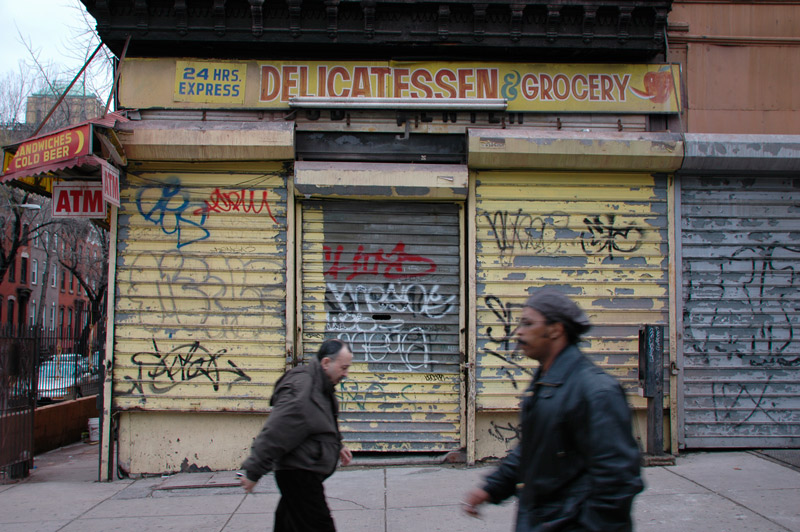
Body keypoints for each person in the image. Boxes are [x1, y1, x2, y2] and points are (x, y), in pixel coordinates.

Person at [463, 289, 643, 531]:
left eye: (528, 323)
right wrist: (491, 488)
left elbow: (618, 479)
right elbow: (534, 448)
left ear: (556, 329)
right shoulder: (547, 381)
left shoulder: (596, 391)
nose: (518, 332)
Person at [240, 338, 354, 532]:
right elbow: (275, 433)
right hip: (300, 475)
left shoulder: (320, 384)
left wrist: (337, 444)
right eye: (343, 368)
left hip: (301, 473)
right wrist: (253, 472)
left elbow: (320, 421)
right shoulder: (303, 391)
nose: (346, 374)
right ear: (326, 363)